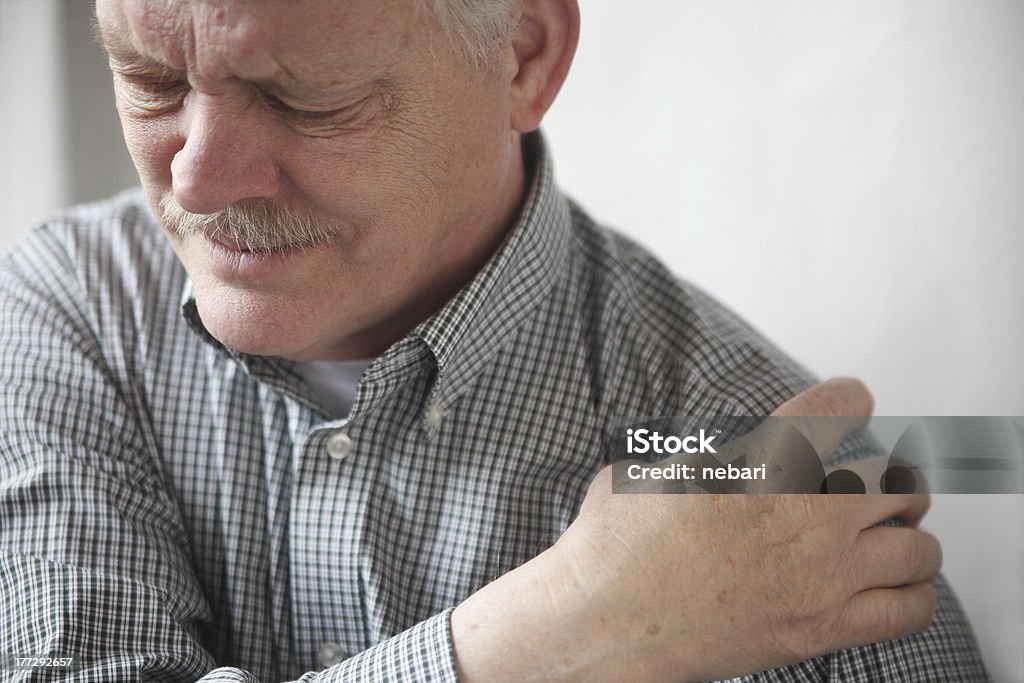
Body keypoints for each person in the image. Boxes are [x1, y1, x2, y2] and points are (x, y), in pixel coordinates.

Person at [0, 0, 987, 681]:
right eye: (149, 80)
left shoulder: (777, 486)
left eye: (308, 102)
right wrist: (576, 626)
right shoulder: (68, 308)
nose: (202, 180)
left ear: (523, 54)